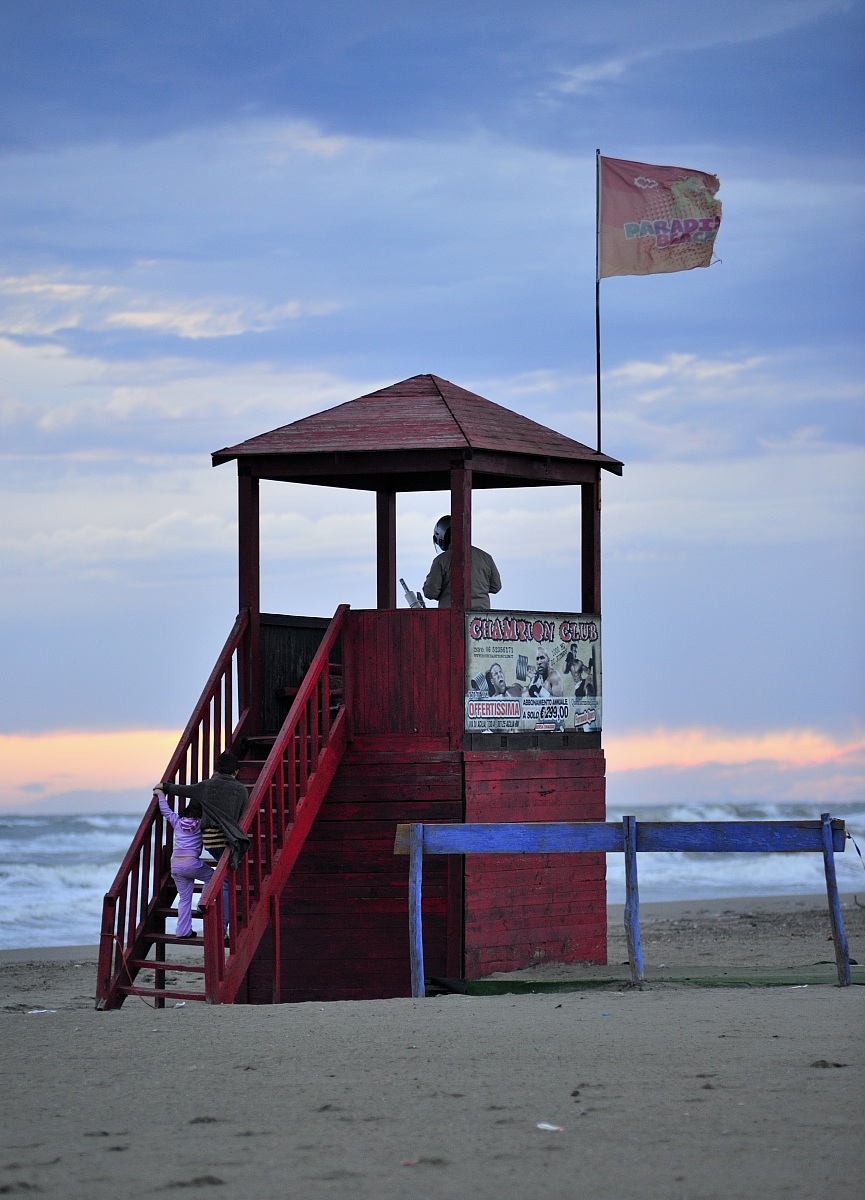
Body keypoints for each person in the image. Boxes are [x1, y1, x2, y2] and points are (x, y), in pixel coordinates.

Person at [160, 751, 250, 932]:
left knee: (220, 876)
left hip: (209, 841)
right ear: (237, 771)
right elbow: (242, 813)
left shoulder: (206, 786)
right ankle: (221, 927)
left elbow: (182, 790)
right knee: (225, 881)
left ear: (216, 769)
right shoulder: (241, 790)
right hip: (227, 839)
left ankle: (203, 915)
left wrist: (164, 787)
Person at [154, 792, 212, 939]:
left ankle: (182, 931)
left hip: (175, 865)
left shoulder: (177, 821)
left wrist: (160, 795)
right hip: (191, 862)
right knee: (212, 877)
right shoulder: (201, 824)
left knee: (184, 899)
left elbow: (165, 810)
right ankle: (202, 903)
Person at [422, 515, 502, 610]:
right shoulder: (486, 557)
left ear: (442, 537)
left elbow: (430, 592)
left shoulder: (441, 560)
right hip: (481, 619)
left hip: (451, 617)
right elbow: (496, 586)